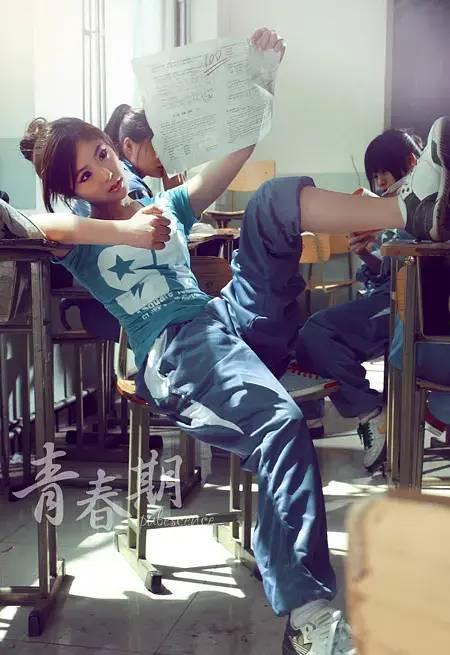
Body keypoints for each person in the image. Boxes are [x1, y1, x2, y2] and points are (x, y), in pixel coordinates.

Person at [15, 32, 450, 651]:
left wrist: (261, 80)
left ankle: (411, 211)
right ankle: (309, 618)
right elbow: (37, 223)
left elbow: (236, 158)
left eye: (104, 155)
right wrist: (128, 233)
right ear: (73, 189)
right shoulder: (79, 241)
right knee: (280, 426)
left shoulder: (164, 205)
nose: (105, 173)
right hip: (176, 350)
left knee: (271, 200)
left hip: (226, 319)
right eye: (86, 173)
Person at [295, 129, 424, 471]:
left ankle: (370, 411)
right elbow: (387, 269)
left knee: (317, 331)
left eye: (384, 173)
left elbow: (420, 260)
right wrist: (366, 253)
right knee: (303, 333)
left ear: (411, 162)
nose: (379, 182)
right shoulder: (395, 205)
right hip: (389, 293)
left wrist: (385, 232)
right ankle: (323, 415)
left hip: (411, 301)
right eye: (374, 176)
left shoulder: (425, 202)